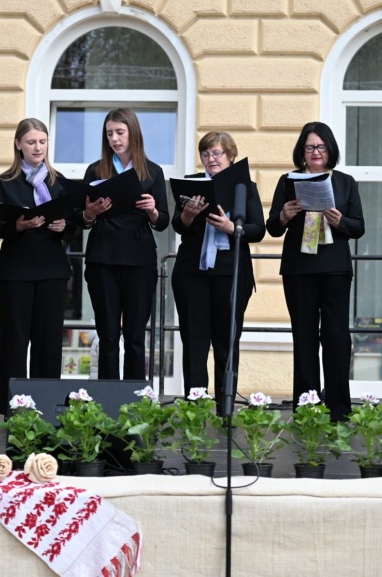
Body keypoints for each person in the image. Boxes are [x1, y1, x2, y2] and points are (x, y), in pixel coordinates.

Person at [266, 122, 364, 421]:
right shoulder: (288, 181)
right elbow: (272, 227)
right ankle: (307, 405)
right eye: (310, 147)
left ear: (330, 149)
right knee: (304, 336)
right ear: (302, 151)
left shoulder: (345, 182)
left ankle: (339, 407)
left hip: (335, 268)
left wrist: (339, 221)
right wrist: (284, 215)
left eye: (321, 146)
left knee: (336, 336)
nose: (316, 152)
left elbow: (358, 227)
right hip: (299, 269)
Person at [172, 131, 265, 410]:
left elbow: (258, 229)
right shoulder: (191, 184)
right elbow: (177, 225)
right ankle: (196, 407)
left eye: (217, 153)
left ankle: (225, 407)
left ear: (230, 156)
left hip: (230, 273)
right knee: (195, 342)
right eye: (206, 153)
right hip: (193, 273)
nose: (211, 158)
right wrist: (187, 215)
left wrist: (232, 228)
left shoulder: (244, 187)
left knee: (226, 342)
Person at [78, 108, 169, 380]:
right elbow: (81, 219)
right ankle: (108, 398)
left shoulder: (152, 171)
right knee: (107, 335)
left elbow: (163, 221)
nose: (114, 139)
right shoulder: (96, 170)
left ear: (133, 133)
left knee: (135, 336)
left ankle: (135, 396)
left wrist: (153, 210)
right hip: (102, 258)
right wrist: (90, 213)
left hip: (139, 260)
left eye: (120, 132)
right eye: (109, 134)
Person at [0, 118, 73, 416]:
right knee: (14, 342)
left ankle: (47, 408)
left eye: (42, 141)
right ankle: (13, 409)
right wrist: (19, 225)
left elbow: (72, 225)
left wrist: (64, 226)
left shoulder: (59, 181)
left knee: (48, 343)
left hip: (52, 270)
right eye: (31, 142)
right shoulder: (3, 182)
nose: (38, 147)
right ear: (18, 144)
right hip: (17, 271)